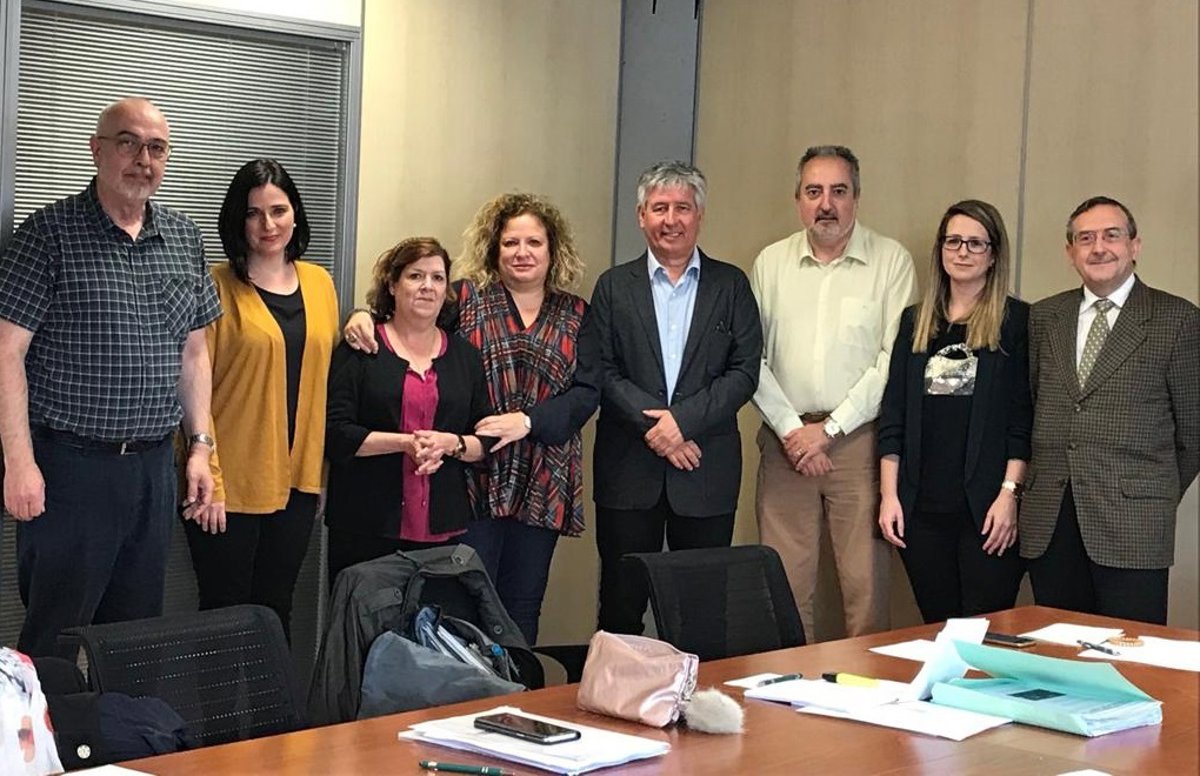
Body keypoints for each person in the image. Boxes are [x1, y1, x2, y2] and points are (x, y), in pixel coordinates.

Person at [0, 97, 220, 658]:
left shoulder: (184, 238)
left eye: (157, 148)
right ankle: (45, 721)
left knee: (135, 640)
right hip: (70, 470)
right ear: (97, 150)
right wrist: (19, 464)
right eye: (128, 143)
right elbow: (6, 353)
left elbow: (194, 353)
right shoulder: (48, 234)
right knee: (54, 639)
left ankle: (119, 721)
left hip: (152, 471)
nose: (143, 159)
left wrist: (200, 447)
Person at [344, 193, 598, 645]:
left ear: (552, 249)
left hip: (543, 477)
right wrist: (361, 316)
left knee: (523, 604)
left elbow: (587, 392)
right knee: (467, 600)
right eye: (510, 242)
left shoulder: (577, 313)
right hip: (473, 475)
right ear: (493, 248)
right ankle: (468, 685)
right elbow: (407, 319)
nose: (521, 252)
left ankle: (514, 684)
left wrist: (527, 422)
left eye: (534, 242)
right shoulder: (465, 297)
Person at [589, 160, 761, 635]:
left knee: (703, 609)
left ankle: (697, 688)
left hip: (705, 468)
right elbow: (601, 370)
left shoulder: (731, 285)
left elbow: (744, 372)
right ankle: (618, 687)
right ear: (641, 215)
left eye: (682, 208)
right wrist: (660, 430)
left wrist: (681, 423)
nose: (671, 219)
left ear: (699, 215)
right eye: (659, 207)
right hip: (628, 472)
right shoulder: (613, 287)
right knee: (621, 607)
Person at [751, 145, 916, 640]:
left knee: (866, 586)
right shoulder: (771, 263)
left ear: (857, 198)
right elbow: (749, 359)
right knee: (784, 585)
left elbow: (893, 362)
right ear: (798, 200)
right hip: (784, 444)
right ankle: (786, 684)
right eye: (814, 192)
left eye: (839, 191)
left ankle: (866, 685)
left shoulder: (891, 261)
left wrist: (831, 429)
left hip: (859, 443)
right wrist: (793, 431)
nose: (826, 204)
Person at [181, 159, 339, 641]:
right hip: (227, 484)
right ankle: (221, 700)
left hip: (298, 482)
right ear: (237, 220)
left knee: (276, 609)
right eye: (253, 213)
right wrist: (212, 478)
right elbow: (192, 382)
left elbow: (325, 379)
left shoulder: (320, 283)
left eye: (278, 210)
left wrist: (320, 475)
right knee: (223, 614)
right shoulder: (213, 284)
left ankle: (274, 698)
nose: (268, 225)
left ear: (295, 214)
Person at [1023, 196, 1199, 625]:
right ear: (1070, 252)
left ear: (1134, 245)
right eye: (1085, 239)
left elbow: (1193, 435)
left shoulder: (1177, 319)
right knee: (1056, 648)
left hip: (1134, 522)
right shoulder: (1045, 317)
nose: (1098, 248)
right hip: (1052, 520)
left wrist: (1148, 493)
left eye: (1111, 236)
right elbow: (1031, 402)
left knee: (1129, 650)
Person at [877, 199, 1030, 623]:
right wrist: (889, 497)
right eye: (953, 241)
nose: (963, 252)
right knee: (937, 626)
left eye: (976, 243)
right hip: (921, 509)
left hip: (987, 509)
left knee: (984, 628)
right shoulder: (915, 322)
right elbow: (894, 416)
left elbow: (1022, 422)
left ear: (994, 255)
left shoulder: (1017, 322)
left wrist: (1009, 495)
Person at [323, 237, 493, 586]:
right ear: (392, 284)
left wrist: (452, 444)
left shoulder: (466, 357)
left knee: (432, 618)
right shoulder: (362, 348)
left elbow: (485, 439)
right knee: (364, 615)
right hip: (365, 523)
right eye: (416, 276)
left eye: (437, 278)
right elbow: (335, 434)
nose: (427, 286)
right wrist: (404, 443)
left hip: (442, 528)